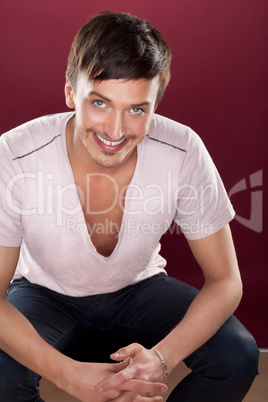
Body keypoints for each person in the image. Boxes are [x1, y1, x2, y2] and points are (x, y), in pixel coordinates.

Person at [0, 11, 259, 402]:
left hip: (139, 289)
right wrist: (69, 376)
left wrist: (161, 359)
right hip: (42, 292)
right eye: (100, 102)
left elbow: (226, 281)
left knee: (237, 355)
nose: (116, 132)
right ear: (71, 92)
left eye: (137, 109)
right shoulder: (14, 155)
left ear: (155, 105)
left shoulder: (183, 149)